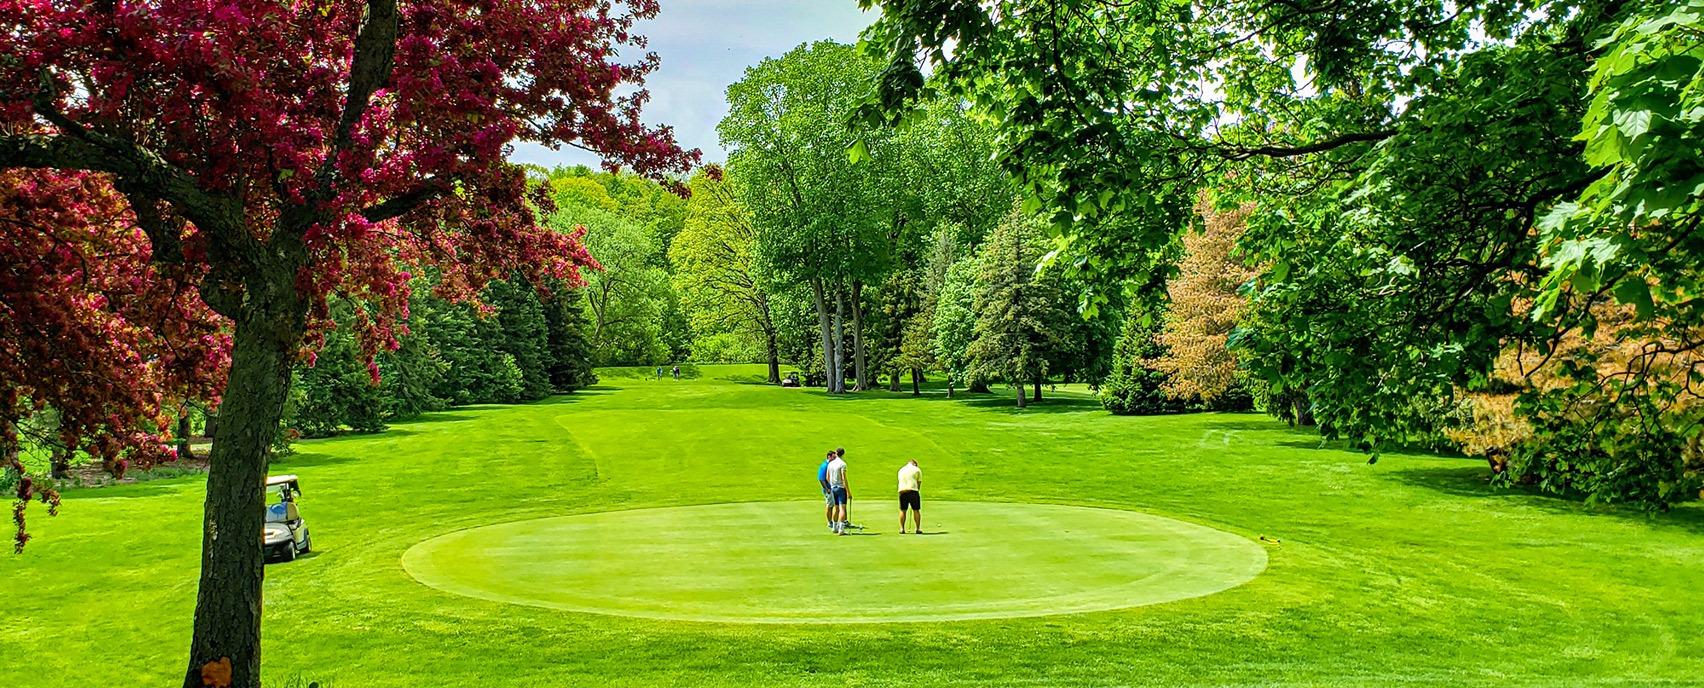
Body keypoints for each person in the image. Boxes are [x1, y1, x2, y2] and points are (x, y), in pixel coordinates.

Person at [825, 448, 850, 534]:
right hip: (840, 488)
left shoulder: (830, 464)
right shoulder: (842, 464)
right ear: (843, 454)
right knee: (842, 508)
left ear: (836, 453)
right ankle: (841, 529)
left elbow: (827, 477)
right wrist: (848, 491)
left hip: (833, 488)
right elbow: (844, 478)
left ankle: (834, 527)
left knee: (836, 508)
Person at [897, 459, 922, 534]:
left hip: (902, 491)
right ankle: (918, 529)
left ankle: (902, 529)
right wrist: (917, 490)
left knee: (903, 510)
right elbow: (919, 482)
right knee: (916, 510)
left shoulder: (901, 470)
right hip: (913, 491)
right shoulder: (917, 469)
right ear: (914, 464)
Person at [817, 450, 836, 532]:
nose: (834, 459)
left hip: (831, 488)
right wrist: (826, 488)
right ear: (829, 456)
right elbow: (821, 479)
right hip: (827, 489)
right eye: (833, 457)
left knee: (832, 505)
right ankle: (829, 522)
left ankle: (832, 521)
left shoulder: (830, 465)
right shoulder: (825, 465)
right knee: (829, 505)